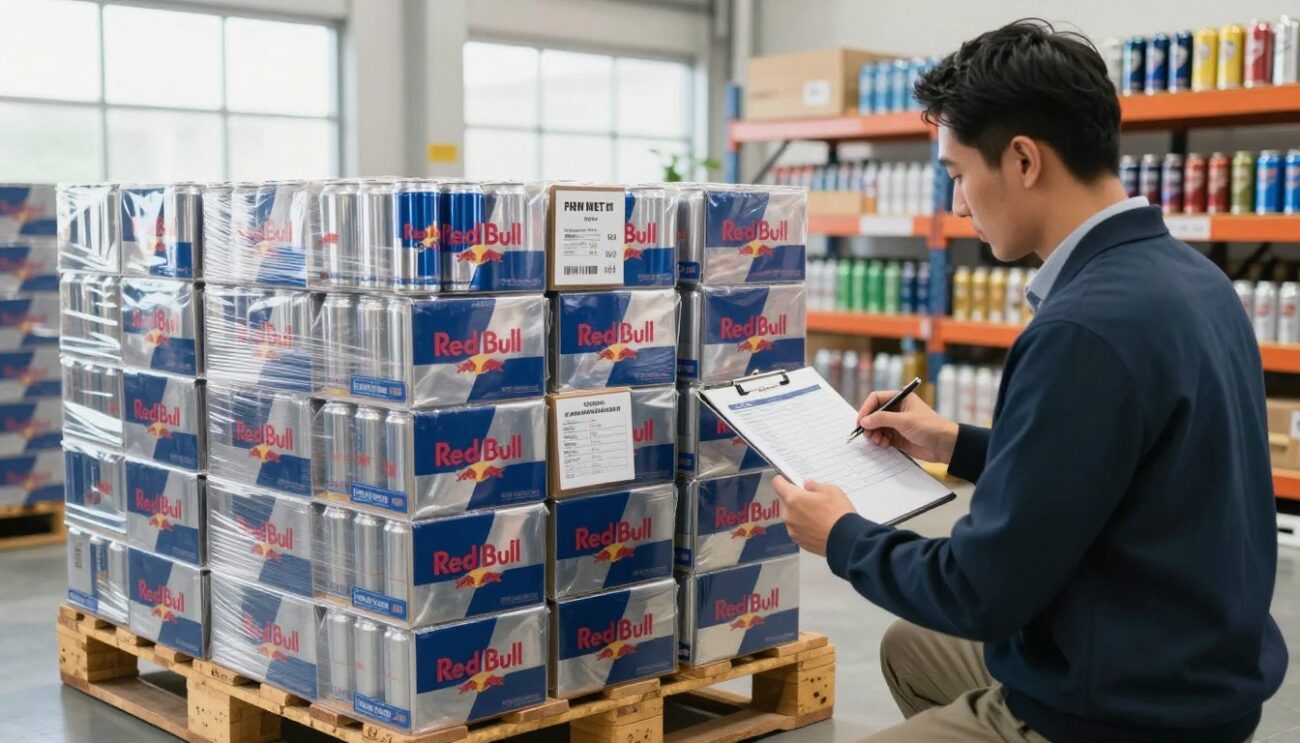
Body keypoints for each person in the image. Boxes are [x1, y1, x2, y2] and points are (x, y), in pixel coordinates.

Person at [772, 19, 1287, 743]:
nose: (957, 204)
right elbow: (1110, 466)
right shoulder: (1193, 281)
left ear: (1022, 160)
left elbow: (980, 590)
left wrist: (843, 537)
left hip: (1121, 714)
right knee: (912, 647)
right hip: (1194, 670)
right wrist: (954, 442)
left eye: (958, 174)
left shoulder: (1083, 328)